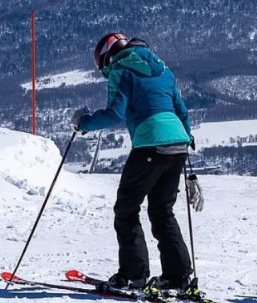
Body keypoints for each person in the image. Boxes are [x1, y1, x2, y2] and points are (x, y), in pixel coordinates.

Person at [72, 33, 197, 293]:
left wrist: (83, 123)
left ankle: (133, 276)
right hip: (178, 146)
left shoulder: (121, 70)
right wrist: (186, 139)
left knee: (126, 209)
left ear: (108, 56)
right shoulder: (164, 71)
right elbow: (181, 111)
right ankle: (178, 277)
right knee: (162, 212)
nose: (105, 70)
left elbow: (114, 114)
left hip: (150, 144)